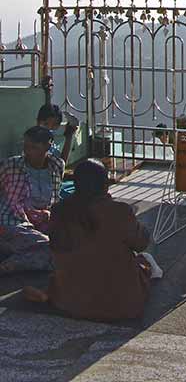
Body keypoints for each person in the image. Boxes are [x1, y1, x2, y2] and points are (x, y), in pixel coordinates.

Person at [24, 159, 152, 320]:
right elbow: (141, 244)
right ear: (105, 184)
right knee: (146, 261)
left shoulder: (59, 211)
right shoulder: (120, 212)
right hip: (121, 304)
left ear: (75, 184)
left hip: (71, 301)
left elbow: (56, 247)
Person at [0, 126, 64, 274]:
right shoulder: (12, 165)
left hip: (42, 224)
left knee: (67, 242)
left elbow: (54, 199)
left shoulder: (56, 166)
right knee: (48, 247)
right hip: (12, 223)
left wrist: (47, 214)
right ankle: (8, 266)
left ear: (48, 146)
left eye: (33, 147)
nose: (27, 152)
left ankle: (15, 257)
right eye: (25, 147)